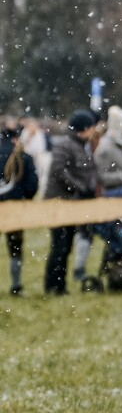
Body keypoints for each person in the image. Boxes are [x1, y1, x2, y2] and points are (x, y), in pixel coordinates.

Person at [43, 110, 100, 296]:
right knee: (59, 246)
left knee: (66, 246)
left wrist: (90, 186)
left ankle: (60, 285)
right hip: (59, 202)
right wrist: (79, 187)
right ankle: (52, 285)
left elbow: (90, 169)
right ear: (83, 129)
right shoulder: (64, 144)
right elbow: (59, 171)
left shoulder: (83, 145)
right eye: (91, 127)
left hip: (72, 203)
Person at [2, 120, 40, 295]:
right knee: (15, 248)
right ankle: (15, 285)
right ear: (17, 138)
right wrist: (25, 198)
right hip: (15, 207)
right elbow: (32, 185)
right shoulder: (23, 156)